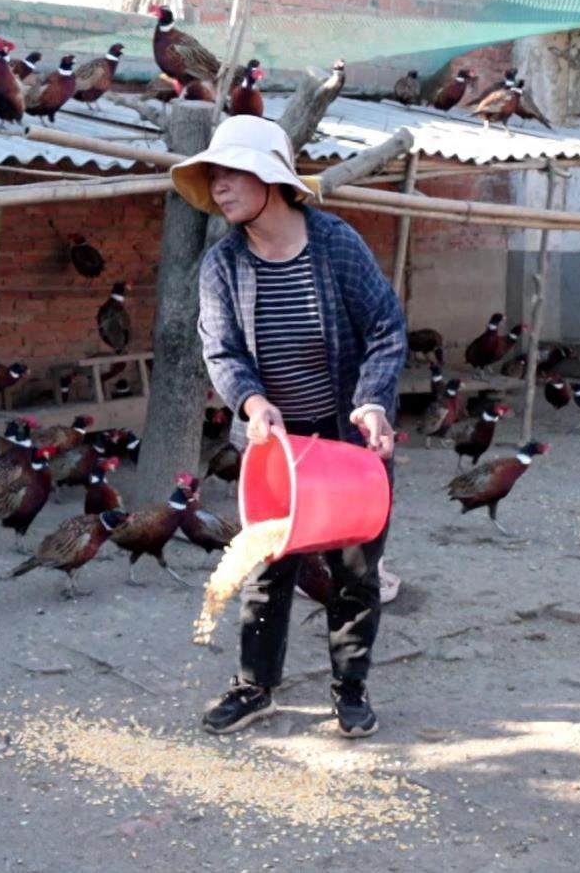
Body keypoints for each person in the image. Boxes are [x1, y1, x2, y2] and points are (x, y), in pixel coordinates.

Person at [172, 115, 406, 738]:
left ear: (271, 180)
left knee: (356, 570)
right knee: (268, 564)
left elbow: (385, 325)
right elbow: (221, 351)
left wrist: (373, 402)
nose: (219, 187)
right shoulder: (222, 265)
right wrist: (250, 402)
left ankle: (350, 691)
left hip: (348, 434)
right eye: (213, 176)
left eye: (231, 173)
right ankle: (255, 687)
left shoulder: (335, 244)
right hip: (276, 442)